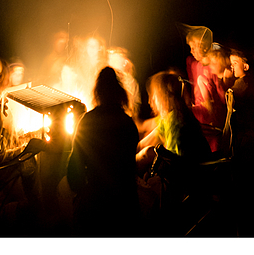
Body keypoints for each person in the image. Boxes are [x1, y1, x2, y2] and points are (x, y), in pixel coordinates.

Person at [66, 66, 140, 234]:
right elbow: (130, 168)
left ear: (97, 93)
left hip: (95, 204)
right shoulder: (127, 123)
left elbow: (74, 170)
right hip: (125, 206)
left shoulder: (87, 121)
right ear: (119, 93)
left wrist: (81, 193)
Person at [136, 71, 211, 174]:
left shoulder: (176, 120)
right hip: (188, 166)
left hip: (191, 172)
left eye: (152, 96)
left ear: (163, 96)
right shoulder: (172, 116)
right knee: (147, 151)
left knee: (148, 153)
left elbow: (175, 160)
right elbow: (146, 140)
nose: (149, 101)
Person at [107, 46, 141, 121]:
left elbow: (134, 106)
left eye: (115, 59)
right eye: (110, 59)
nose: (110, 61)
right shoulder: (106, 80)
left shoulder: (130, 81)